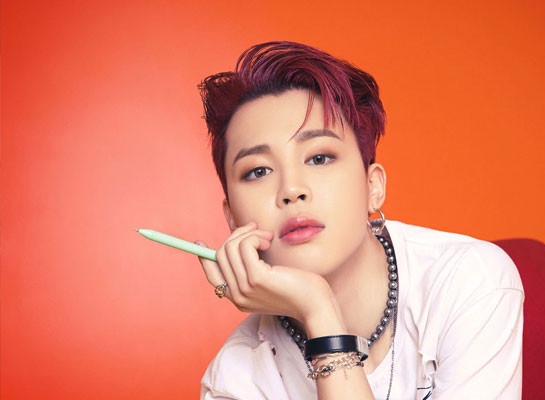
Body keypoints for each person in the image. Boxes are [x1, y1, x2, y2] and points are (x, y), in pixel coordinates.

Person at [193, 41, 524, 399]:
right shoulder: (236, 378)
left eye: (319, 158)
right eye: (258, 171)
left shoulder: (468, 280)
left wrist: (321, 315)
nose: (291, 190)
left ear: (373, 187)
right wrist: (317, 309)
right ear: (232, 219)